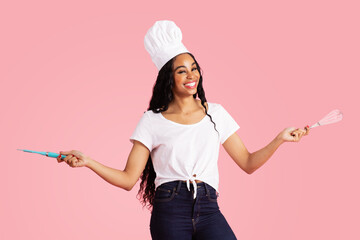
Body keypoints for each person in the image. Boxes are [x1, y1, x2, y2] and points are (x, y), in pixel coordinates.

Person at [57, 20, 310, 240]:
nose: (192, 75)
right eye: (182, 70)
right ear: (169, 77)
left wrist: (279, 140)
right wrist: (88, 161)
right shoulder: (152, 121)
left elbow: (247, 162)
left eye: (194, 67)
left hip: (209, 208)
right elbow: (128, 179)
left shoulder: (216, 114)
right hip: (170, 210)